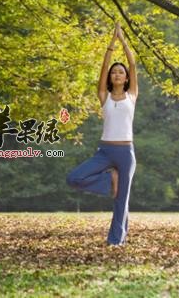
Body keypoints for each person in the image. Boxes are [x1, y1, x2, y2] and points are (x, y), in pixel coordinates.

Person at [66, 21, 138, 246]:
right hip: (105, 151)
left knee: (121, 201)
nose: (117, 74)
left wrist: (122, 40)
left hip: (126, 152)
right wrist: (111, 44)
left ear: (126, 79)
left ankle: (116, 242)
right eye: (114, 72)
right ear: (110, 78)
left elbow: (133, 64)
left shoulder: (132, 96)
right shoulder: (103, 96)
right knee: (74, 178)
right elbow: (103, 68)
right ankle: (109, 180)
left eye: (121, 72)